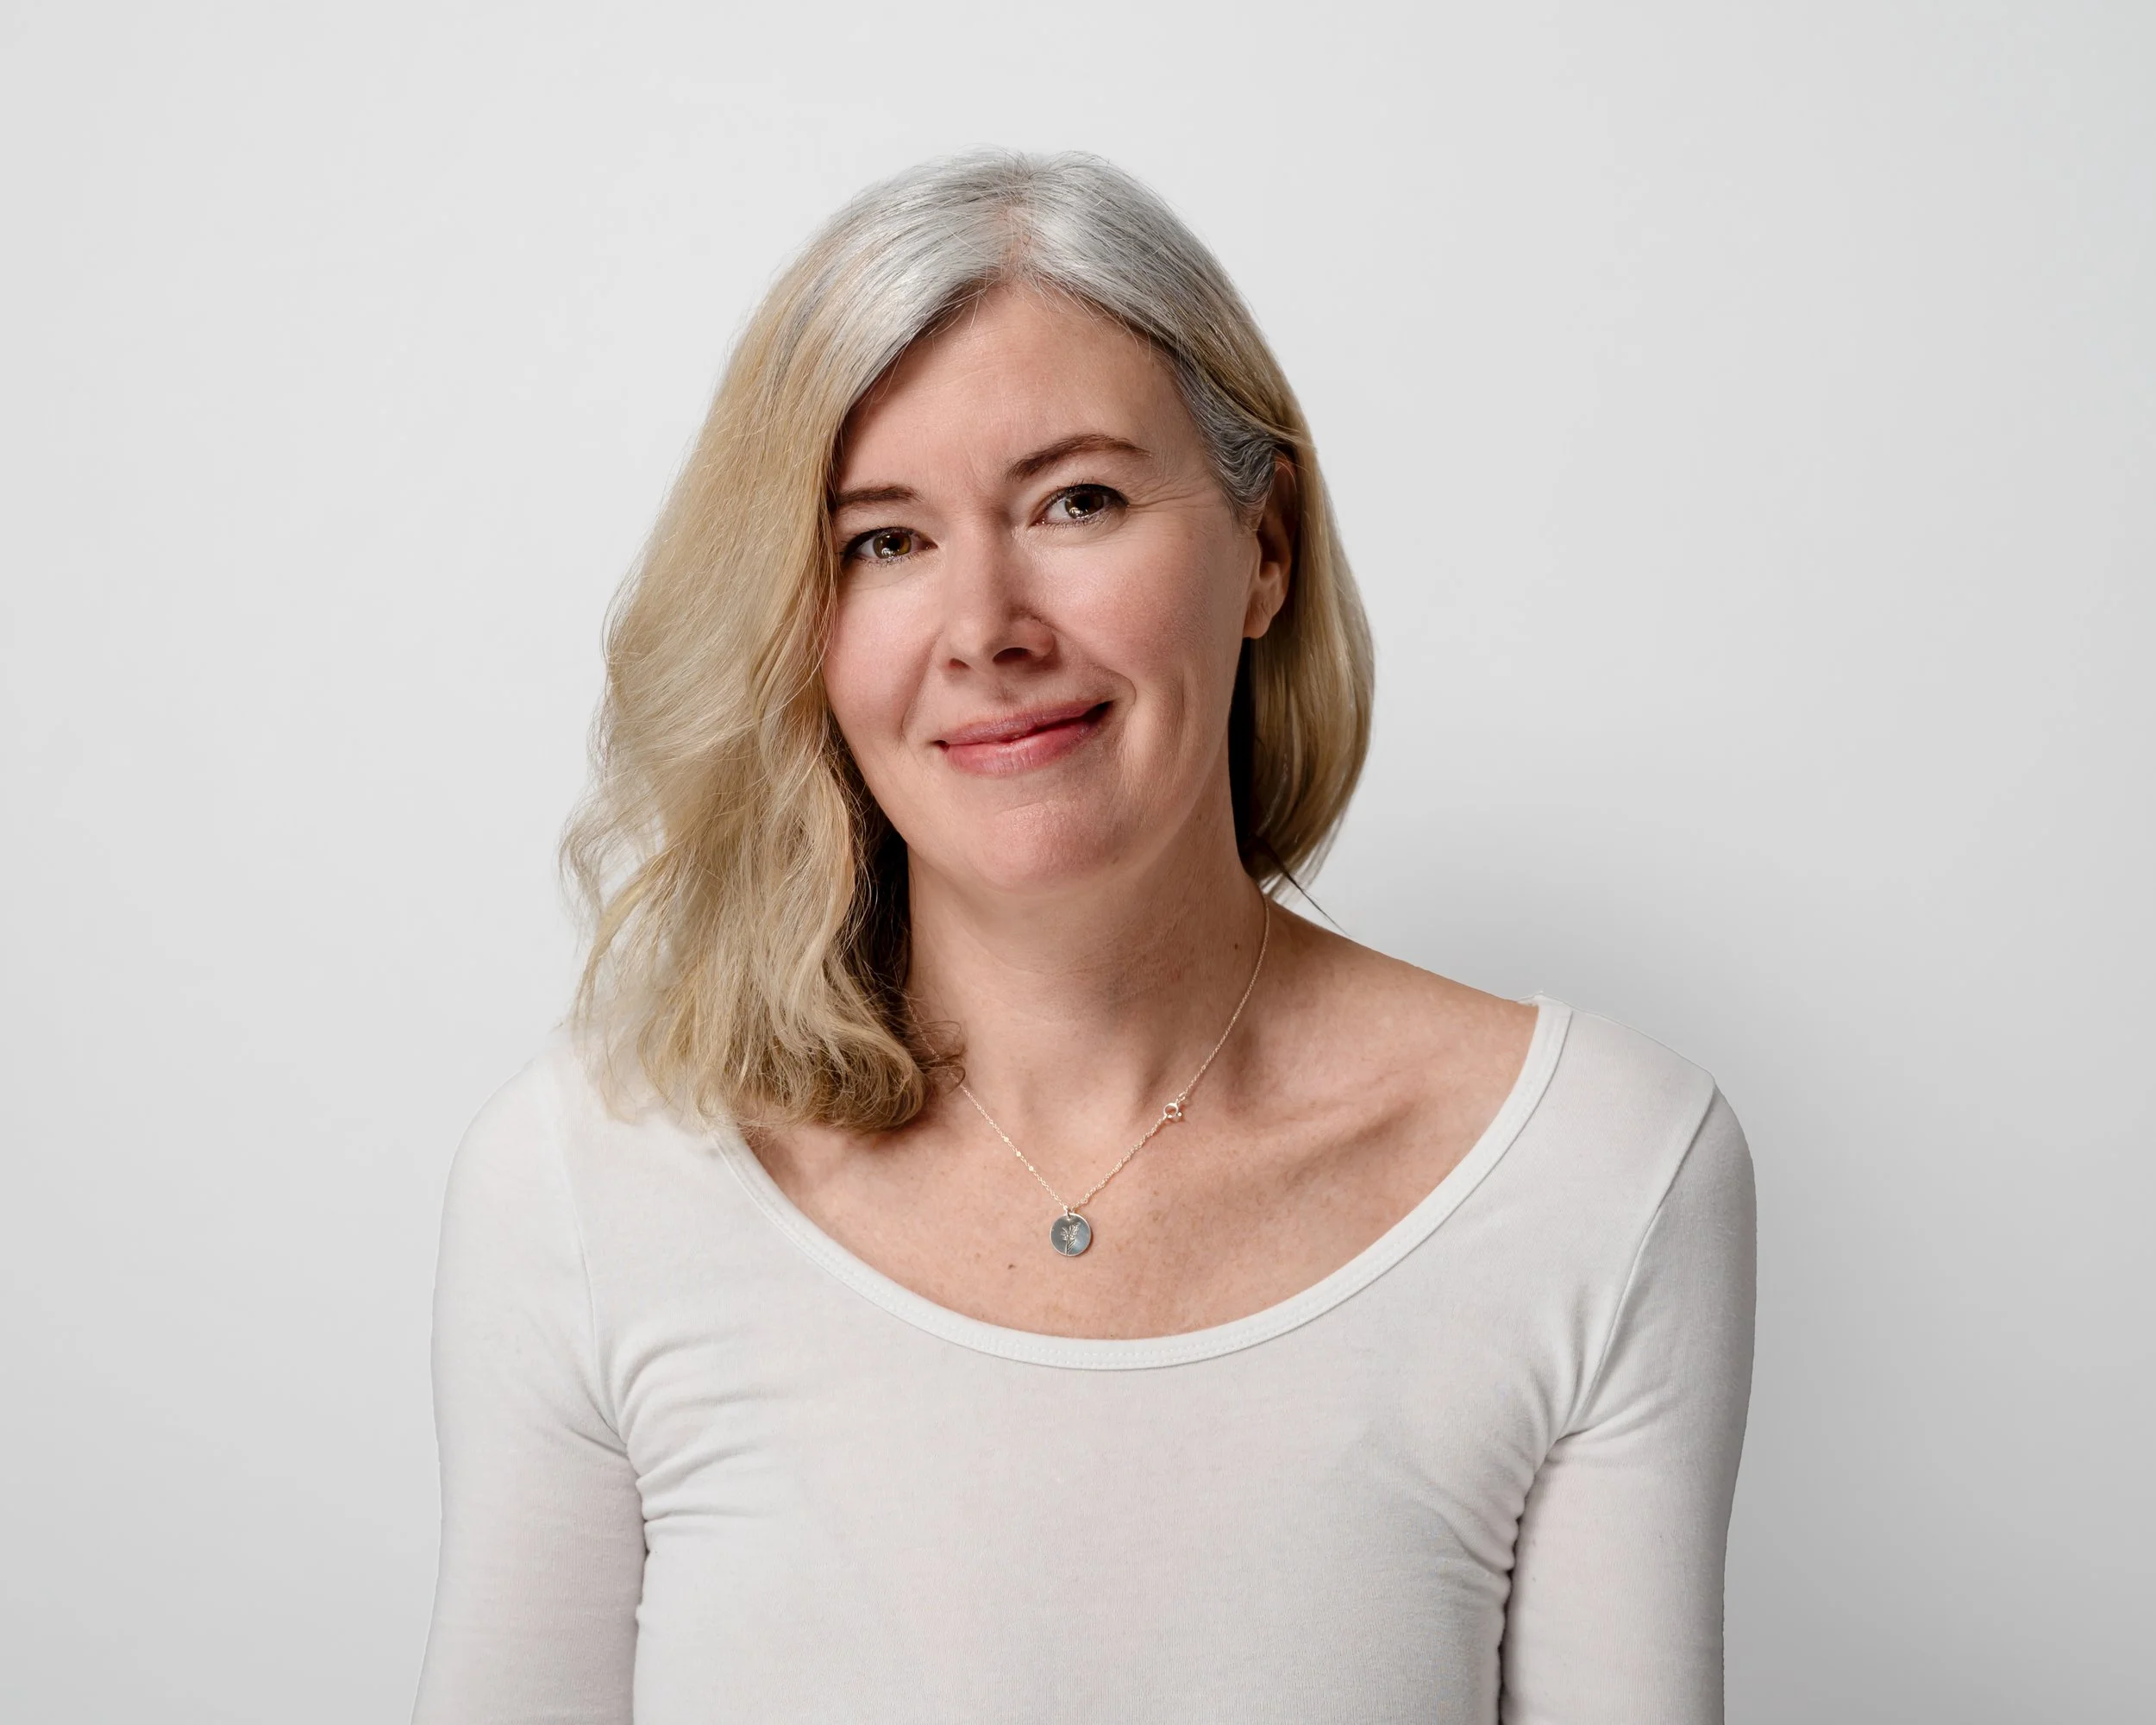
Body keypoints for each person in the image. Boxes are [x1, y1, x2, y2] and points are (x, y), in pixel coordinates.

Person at [413, 151, 1757, 1725]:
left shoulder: (1600, 1168)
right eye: (884, 541)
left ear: (1266, 548)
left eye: (1079, 501)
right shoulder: (588, 1187)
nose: (987, 627)